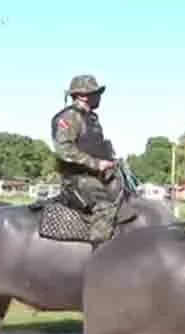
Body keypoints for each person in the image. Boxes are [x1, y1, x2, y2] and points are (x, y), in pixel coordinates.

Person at [51, 74, 122, 246]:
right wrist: (96, 163)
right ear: (83, 95)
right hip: (77, 180)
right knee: (104, 207)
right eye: (96, 93)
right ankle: (100, 254)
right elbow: (64, 150)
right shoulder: (67, 118)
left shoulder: (92, 119)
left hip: (96, 177)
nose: (99, 97)